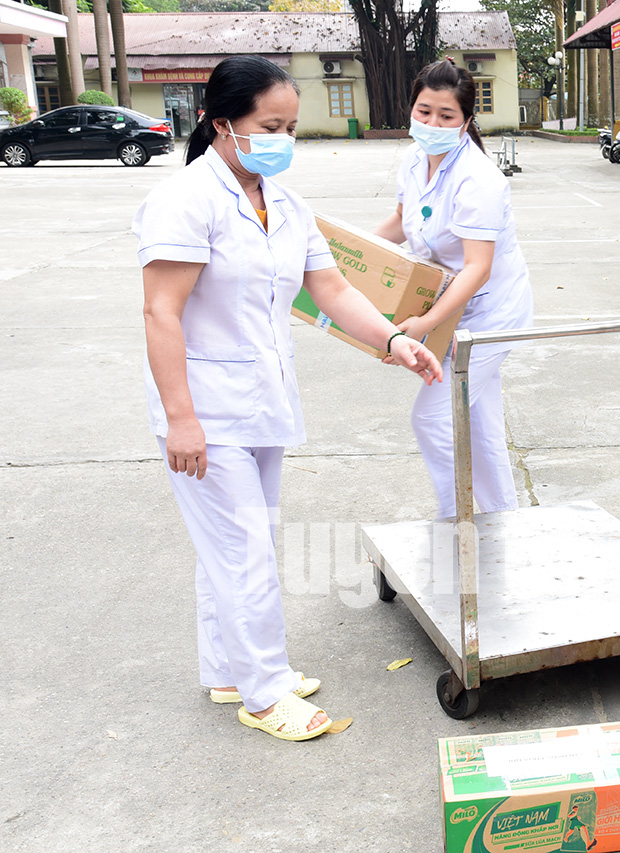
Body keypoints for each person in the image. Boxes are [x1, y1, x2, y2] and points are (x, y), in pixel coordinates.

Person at [137, 55, 443, 742]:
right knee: (244, 549)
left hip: (262, 403)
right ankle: (265, 691)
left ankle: (229, 670)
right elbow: (161, 312)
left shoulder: (284, 203)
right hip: (205, 410)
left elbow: (329, 289)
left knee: (236, 544)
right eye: (270, 126)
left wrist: (394, 339)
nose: (283, 140)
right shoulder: (185, 200)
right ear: (221, 123)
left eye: (291, 128)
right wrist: (181, 419)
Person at [374, 58, 534, 519]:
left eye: (446, 116)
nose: (432, 124)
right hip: (452, 307)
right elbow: (401, 221)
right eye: (424, 112)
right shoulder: (413, 160)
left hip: (490, 313)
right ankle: (504, 519)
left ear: (465, 122)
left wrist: (424, 323)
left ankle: (455, 519)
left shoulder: (478, 179)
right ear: (411, 109)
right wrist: (346, 253)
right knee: (480, 421)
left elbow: (478, 269)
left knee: (432, 419)